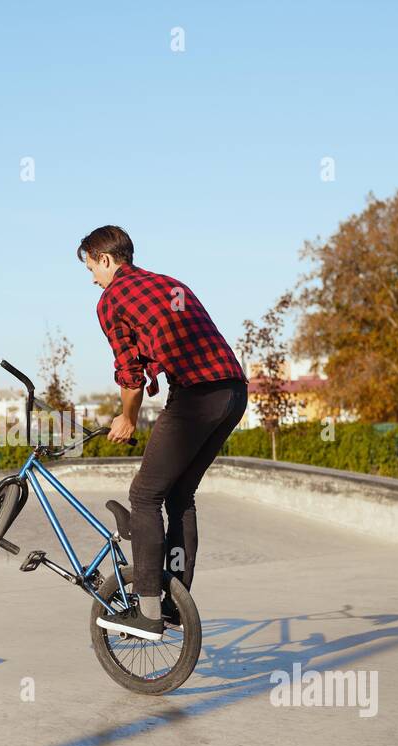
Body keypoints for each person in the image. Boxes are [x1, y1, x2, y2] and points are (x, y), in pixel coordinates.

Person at [79, 225, 249, 639]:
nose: (92, 279)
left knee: (144, 495)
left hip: (196, 398)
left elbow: (129, 373)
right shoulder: (171, 284)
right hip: (233, 391)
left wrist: (127, 418)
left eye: (91, 268)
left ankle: (149, 611)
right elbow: (184, 343)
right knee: (178, 494)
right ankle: (175, 602)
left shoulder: (111, 300)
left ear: (105, 259)